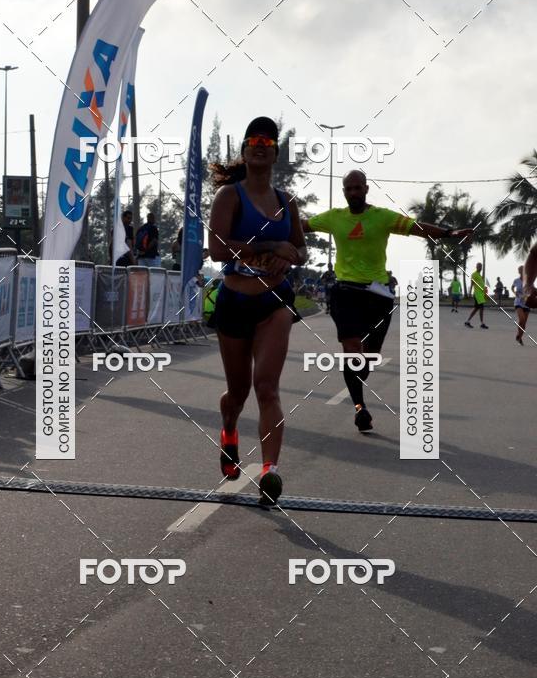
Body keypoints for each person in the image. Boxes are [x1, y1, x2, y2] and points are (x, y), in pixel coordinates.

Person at [302, 169, 472, 432]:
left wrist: (448, 233)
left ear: (366, 189)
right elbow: (300, 225)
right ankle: (360, 408)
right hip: (345, 292)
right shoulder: (334, 217)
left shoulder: (382, 217)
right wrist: (268, 221)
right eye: (349, 189)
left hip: (377, 295)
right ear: (344, 192)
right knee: (352, 350)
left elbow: (417, 228)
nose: (353, 193)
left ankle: (358, 389)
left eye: (358, 188)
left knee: (369, 358)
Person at [209, 116, 306, 504]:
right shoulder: (229, 196)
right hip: (234, 301)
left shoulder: (287, 202)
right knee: (238, 392)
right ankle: (229, 431)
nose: (260, 145)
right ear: (245, 151)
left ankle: (270, 472)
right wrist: (269, 248)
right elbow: (217, 250)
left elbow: (300, 249)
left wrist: (290, 255)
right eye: (254, 141)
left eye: (267, 141)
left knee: (267, 386)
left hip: (274, 301)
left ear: (275, 153)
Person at [464, 262, 488, 329]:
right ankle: (481, 323)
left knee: (476, 308)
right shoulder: (474, 274)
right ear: (476, 267)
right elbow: (472, 284)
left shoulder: (480, 275)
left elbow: (481, 285)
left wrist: (485, 292)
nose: (480, 268)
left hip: (481, 295)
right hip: (477, 295)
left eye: (480, 266)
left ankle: (468, 321)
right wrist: (469, 293)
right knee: (480, 308)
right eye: (478, 266)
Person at [511, 265, 530, 345]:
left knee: (524, 324)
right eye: (520, 270)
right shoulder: (516, 280)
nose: (522, 271)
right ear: (519, 272)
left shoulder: (528, 280)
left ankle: (519, 337)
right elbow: (512, 287)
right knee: (521, 319)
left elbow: (531, 290)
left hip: (527, 303)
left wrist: (528, 295)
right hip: (518, 302)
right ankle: (519, 335)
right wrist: (515, 292)